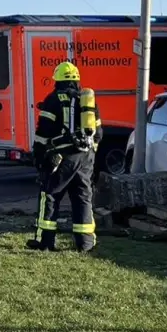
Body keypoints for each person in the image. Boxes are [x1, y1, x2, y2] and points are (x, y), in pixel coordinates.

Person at [28, 61, 102, 253]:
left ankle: (45, 242)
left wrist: (39, 157)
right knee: (83, 198)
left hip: (61, 158)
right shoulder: (87, 102)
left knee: (50, 195)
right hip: (85, 158)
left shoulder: (53, 100)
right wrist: (90, 156)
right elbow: (98, 133)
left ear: (57, 80)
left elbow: (43, 133)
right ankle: (85, 244)